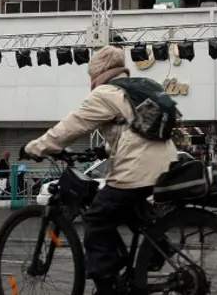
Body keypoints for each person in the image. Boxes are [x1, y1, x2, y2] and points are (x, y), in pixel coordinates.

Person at [25, 46, 177, 295]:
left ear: (97, 73)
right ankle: (157, 247)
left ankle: (108, 284)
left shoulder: (105, 92)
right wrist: (103, 150)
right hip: (167, 162)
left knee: (96, 218)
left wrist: (35, 148)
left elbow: (71, 127)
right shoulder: (136, 88)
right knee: (130, 209)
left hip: (138, 167)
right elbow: (133, 129)